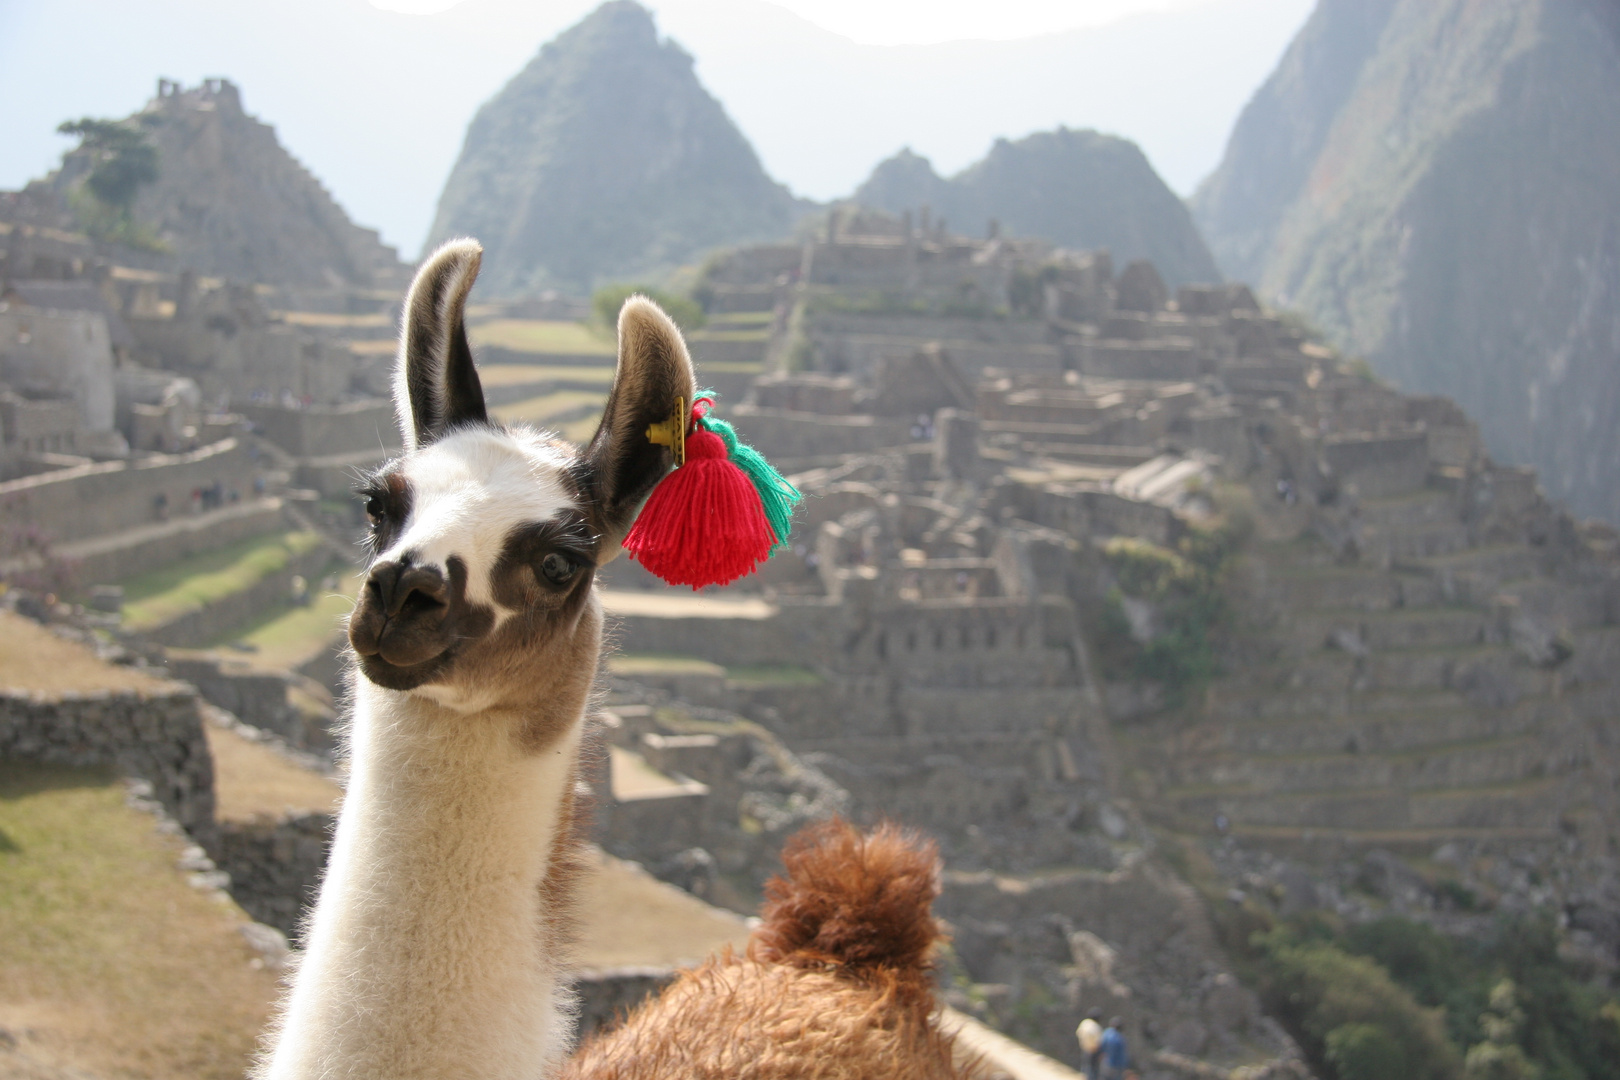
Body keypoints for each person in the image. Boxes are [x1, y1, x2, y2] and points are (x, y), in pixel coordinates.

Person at [1076, 1013, 1103, 1079]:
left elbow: (1078, 1033)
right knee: (1093, 1070)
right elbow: (1098, 1041)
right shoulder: (1096, 1027)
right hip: (1093, 1050)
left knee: (1085, 1067)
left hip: (1085, 1049)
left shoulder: (1085, 1023)